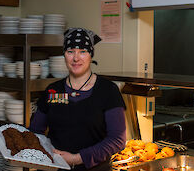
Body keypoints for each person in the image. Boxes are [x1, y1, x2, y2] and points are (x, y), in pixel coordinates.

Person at [29, 28, 126, 171]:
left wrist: (77, 159)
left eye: (82, 51)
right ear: (64, 55)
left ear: (91, 55)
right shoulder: (52, 91)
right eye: (70, 51)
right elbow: (35, 132)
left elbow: (117, 140)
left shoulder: (108, 91)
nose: (76, 58)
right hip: (55, 167)